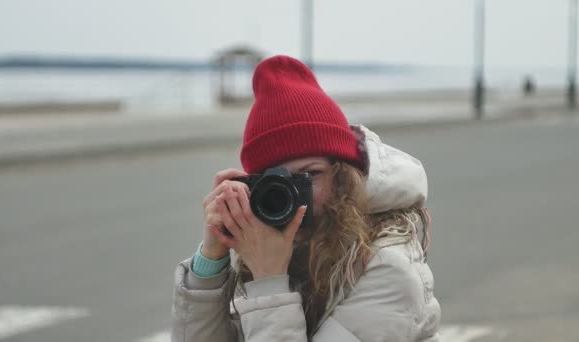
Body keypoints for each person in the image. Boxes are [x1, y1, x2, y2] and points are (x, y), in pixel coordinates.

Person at [171, 55, 441, 341]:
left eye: (309, 176)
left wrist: (269, 280)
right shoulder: (280, 249)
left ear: (342, 178)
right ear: (256, 188)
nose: (296, 198)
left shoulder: (386, 267)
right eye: (278, 183)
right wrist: (211, 262)